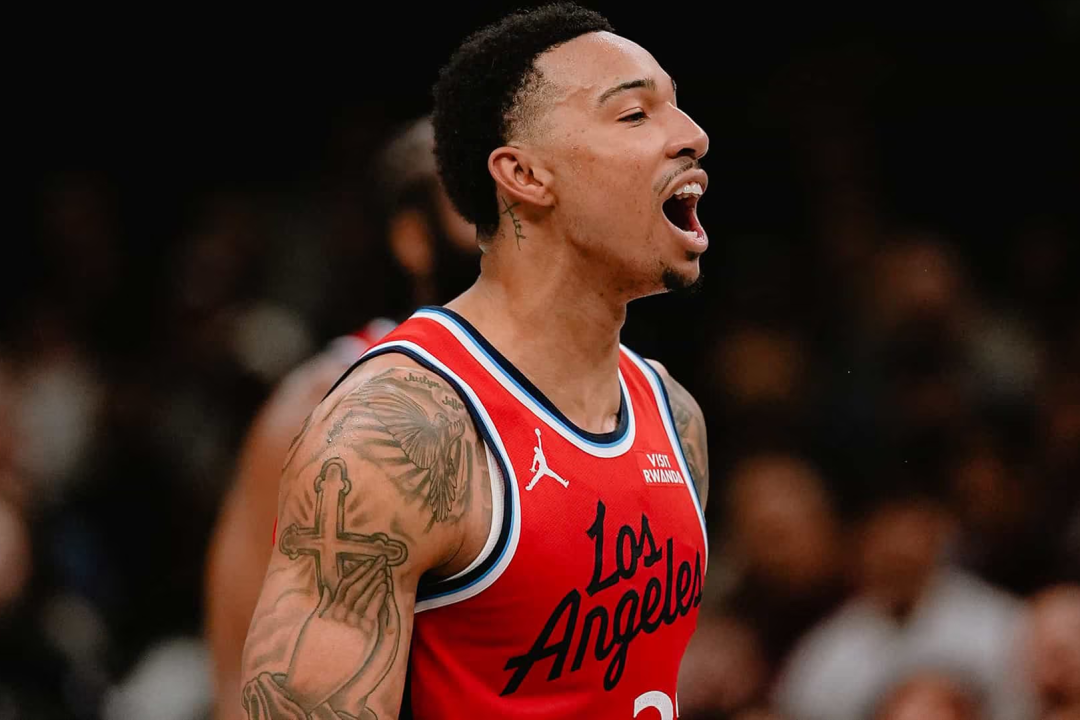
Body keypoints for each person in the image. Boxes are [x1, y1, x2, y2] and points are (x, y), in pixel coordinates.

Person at [239, 3, 712, 719]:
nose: (693, 136)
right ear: (524, 174)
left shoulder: (675, 417)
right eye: (634, 114)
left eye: (677, 106)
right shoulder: (391, 432)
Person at [203, 116, 478, 720]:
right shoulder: (318, 400)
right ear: (412, 236)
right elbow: (240, 667)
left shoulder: (600, 396)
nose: (500, 221)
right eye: (470, 199)